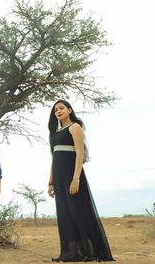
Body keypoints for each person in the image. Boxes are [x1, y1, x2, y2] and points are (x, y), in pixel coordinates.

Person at [47, 100, 115, 262]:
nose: (58, 111)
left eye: (62, 108)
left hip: (73, 176)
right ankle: (70, 253)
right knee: (64, 214)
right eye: (56, 109)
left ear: (70, 110)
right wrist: (50, 182)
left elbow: (79, 154)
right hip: (58, 178)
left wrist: (76, 179)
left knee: (78, 212)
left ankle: (91, 252)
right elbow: (53, 159)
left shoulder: (75, 127)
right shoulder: (54, 133)